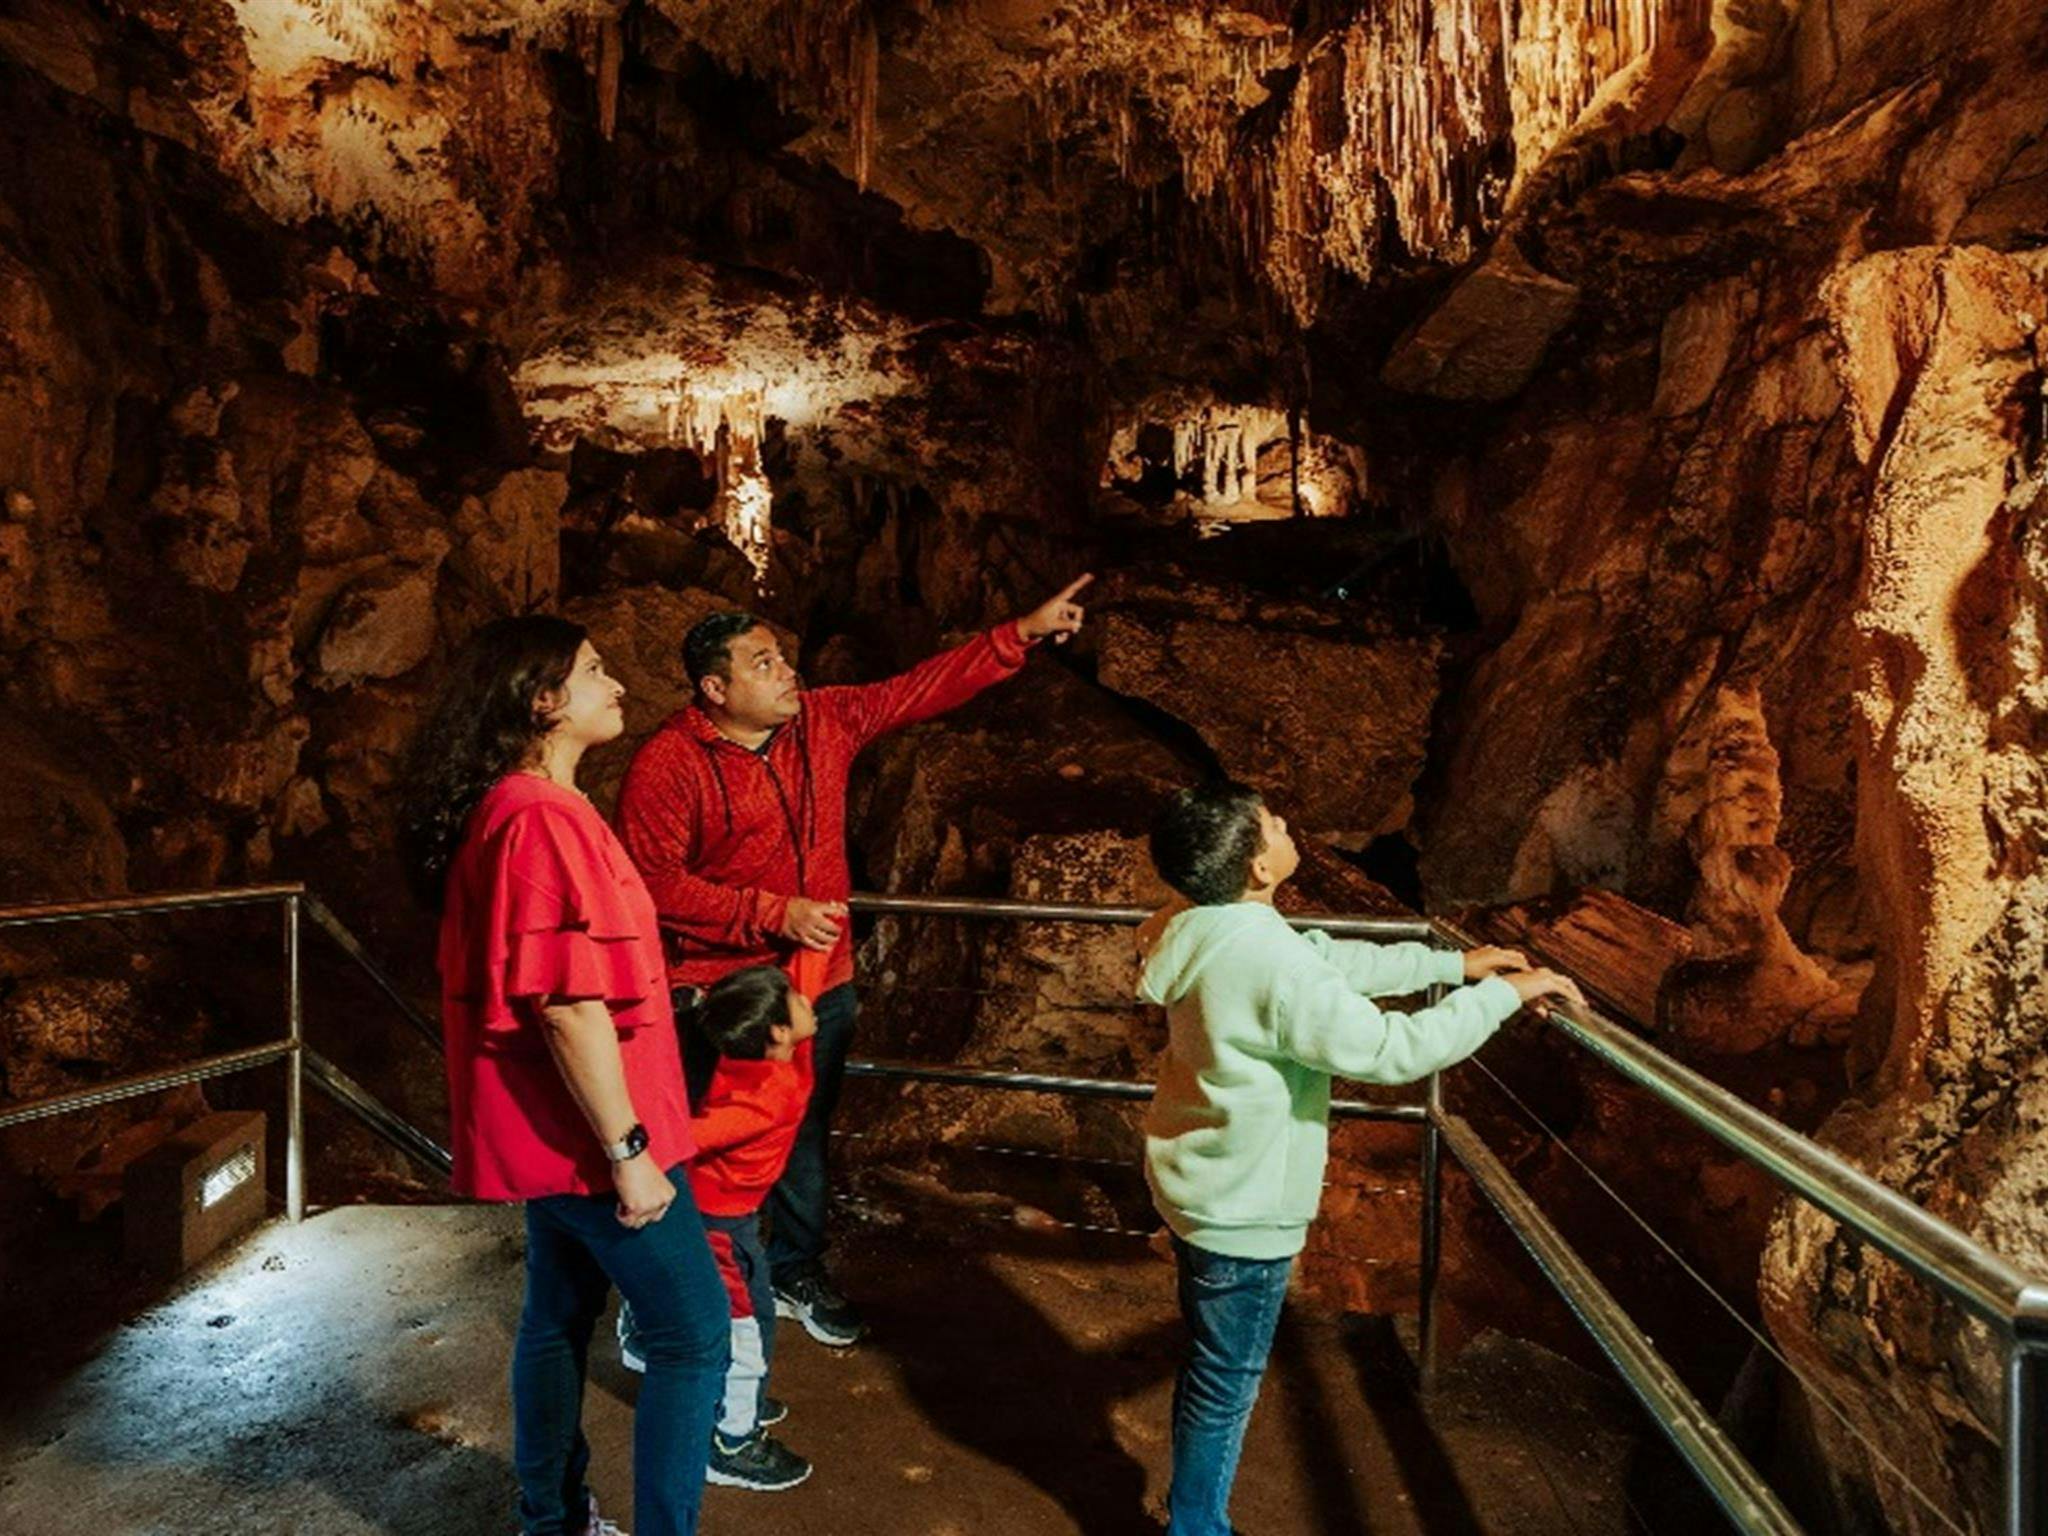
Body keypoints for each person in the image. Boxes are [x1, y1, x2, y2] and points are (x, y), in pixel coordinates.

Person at [615, 575, 1093, 1346]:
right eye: (765, 663)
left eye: (783, 657)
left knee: (803, 1129)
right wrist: (773, 914)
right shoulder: (668, 767)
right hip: (718, 990)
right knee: (697, 1138)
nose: (787, 674)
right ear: (715, 687)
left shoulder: (824, 722)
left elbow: (918, 690)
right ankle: (664, 1292)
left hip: (818, 980)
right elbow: (654, 884)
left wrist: (1020, 635)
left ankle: (796, 1267)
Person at [1138, 781, 1585, 1536]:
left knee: (1211, 1362)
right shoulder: (1267, 959)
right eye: (1273, 825)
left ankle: (1191, 1511)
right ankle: (1197, 1527)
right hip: (1245, 1211)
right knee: (1227, 1379)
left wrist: (1448, 967)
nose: (1286, 828)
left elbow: (1319, 960)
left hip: (1196, 1181)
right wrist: (1503, 998)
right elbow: (1389, 1050)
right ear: (1258, 868)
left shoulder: (1196, 925)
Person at [399, 615, 730, 1536]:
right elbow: (567, 1003)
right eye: (592, 671)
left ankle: (551, 1518)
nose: (616, 683)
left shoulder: (518, 810)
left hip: (553, 1134)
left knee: (557, 1316)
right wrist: (628, 1151)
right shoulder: (541, 820)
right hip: (597, 1139)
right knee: (694, 1338)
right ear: (541, 701)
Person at [619, 955, 825, 1495]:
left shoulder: (755, 1054)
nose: (808, 1000)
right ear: (779, 1031)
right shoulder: (767, 1094)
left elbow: (803, 978)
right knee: (747, 1330)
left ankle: (733, 1396)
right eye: (798, 1001)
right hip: (720, 1225)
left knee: (741, 1322)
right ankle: (734, 1439)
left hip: (730, 1219)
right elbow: (681, 1140)